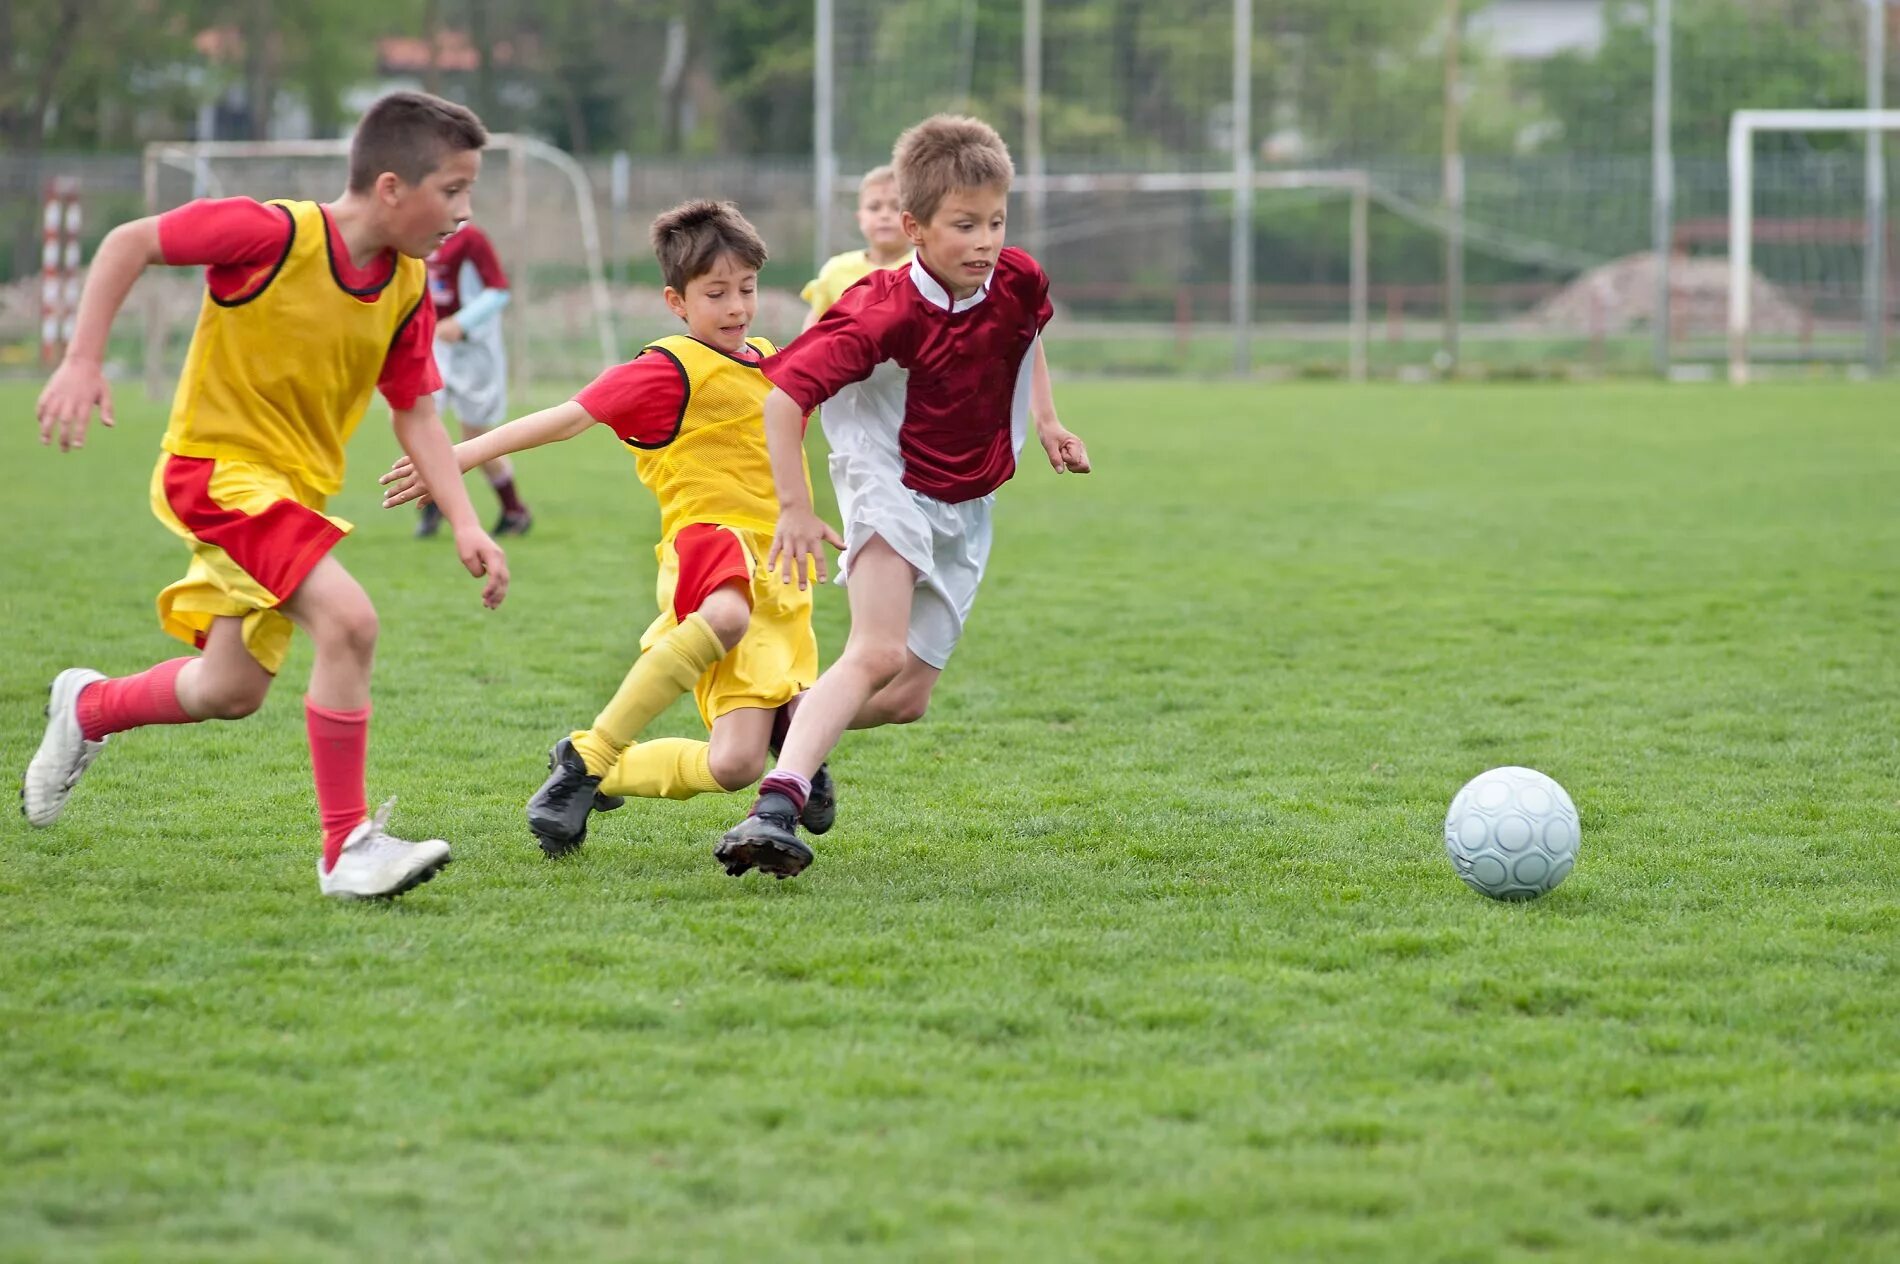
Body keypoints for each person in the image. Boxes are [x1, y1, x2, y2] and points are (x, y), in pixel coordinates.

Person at [23, 91, 508, 900]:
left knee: (230, 691)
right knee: (349, 621)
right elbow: (127, 242)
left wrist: (465, 519)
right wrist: (81, 358)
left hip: (293, 495)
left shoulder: (407, 286)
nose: (464, 212)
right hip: (215, 474)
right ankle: (346, 848)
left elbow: (416, 410)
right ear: (391, 188)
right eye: (452, 190)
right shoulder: (272, 234)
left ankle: (89, 707)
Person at [381, 200, 836, 865]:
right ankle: (588, 760)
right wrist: (453, 456)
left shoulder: (769, 359)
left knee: (735, 764)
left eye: (746, 289)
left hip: (781, 570)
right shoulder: (668, 367)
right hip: (710, 543)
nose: (737, 306)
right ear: (676, 302)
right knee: (727, 616)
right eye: (716, 293)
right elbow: (566, 418)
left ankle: (599, 769)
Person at [715, 114, 1091, 881]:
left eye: (995, 221)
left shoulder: (1016, 277)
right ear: (915, 228)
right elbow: (784, 398)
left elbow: (1026, 335)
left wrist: (1048, 420)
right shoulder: (878, 308)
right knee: (877, 650)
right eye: (964, 225)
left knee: (909, 695)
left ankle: (796, 722)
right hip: (886, 479)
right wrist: (795, 504)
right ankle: (774, 807)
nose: (985, 240)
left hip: (968, 497)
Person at [416, 219, 532, 538]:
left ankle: (514, 509)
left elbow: (498, 291)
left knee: (474, 434)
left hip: (472, 347)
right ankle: (431, 503)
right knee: (420, 422)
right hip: (430, 343)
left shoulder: (470, 238)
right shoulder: (414, 231)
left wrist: (461, 322)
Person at [799, 165, 911, 330]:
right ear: (860, 218)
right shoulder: (836, 269)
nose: (884, 215)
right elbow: (813, 330)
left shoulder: (926, 268)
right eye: (874, 207)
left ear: (914, 218)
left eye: (896, 207)